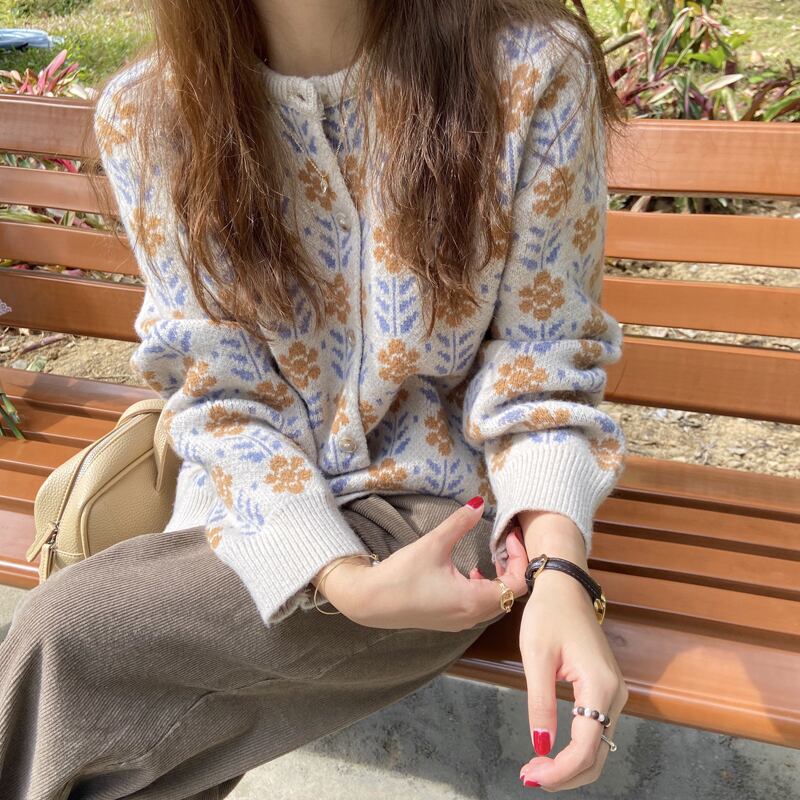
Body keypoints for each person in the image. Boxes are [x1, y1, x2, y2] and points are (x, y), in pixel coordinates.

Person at [0, 0, 631, 797]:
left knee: (67, 646)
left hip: (439, 521)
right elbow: (221, 391)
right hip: (251, 498)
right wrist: (334, 575)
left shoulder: (528, 69)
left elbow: (540, 364)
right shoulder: (154, 111)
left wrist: (559, 569)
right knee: (119, 732)